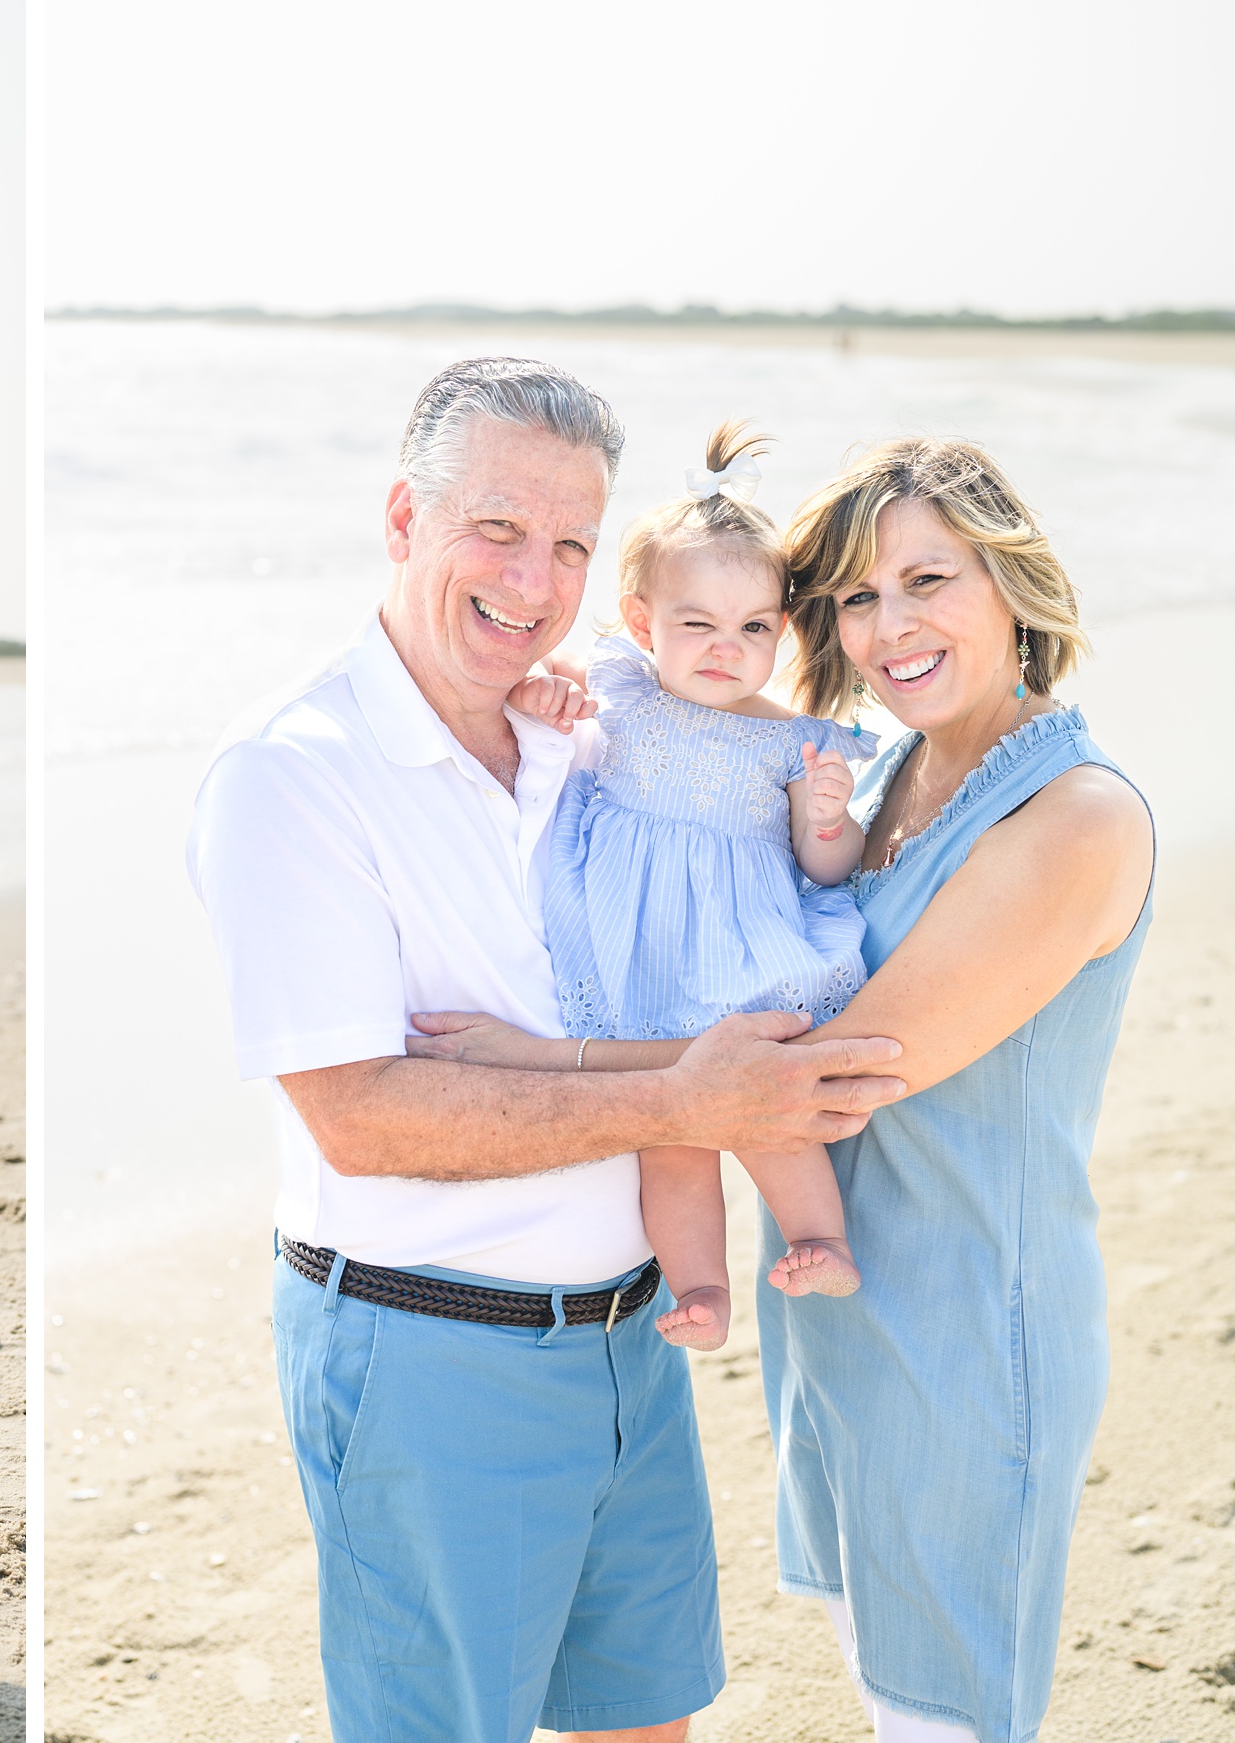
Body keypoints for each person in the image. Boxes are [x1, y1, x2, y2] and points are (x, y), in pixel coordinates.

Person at [187, 357, 908, 1743]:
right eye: (499, 528)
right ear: (404, 517)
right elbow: (365, 1117)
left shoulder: (579, 736)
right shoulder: (293, 774)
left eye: (572, 542)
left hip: (632, 1341)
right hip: (431, 1352)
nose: (536, 577)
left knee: (647, 1724)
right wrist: (684, 1092)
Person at [414, 438, 1152, 1741]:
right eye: (859, 599)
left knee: (948, 1709)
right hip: (837, 1314)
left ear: (1013, 580)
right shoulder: (881, 772)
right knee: (878, 1673)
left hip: (971, 1325)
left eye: (930, 580)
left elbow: (825, 1080)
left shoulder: (1074, 818)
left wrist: (536, 1063)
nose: (891, 627)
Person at [510, 421, 881, 1354]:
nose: (726, 649)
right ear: (643, 624)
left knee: (768, 1117)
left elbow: (826, 868)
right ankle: (703, 1289)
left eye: (753, 628)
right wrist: (538, 697)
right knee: (671, 1131)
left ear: (782, 631)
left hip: (735, 944)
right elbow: (534, 685)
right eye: (697, 625)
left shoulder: (795, 738)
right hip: (634, 941)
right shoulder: (623, 686)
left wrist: (830, 814)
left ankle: (818, 1238)